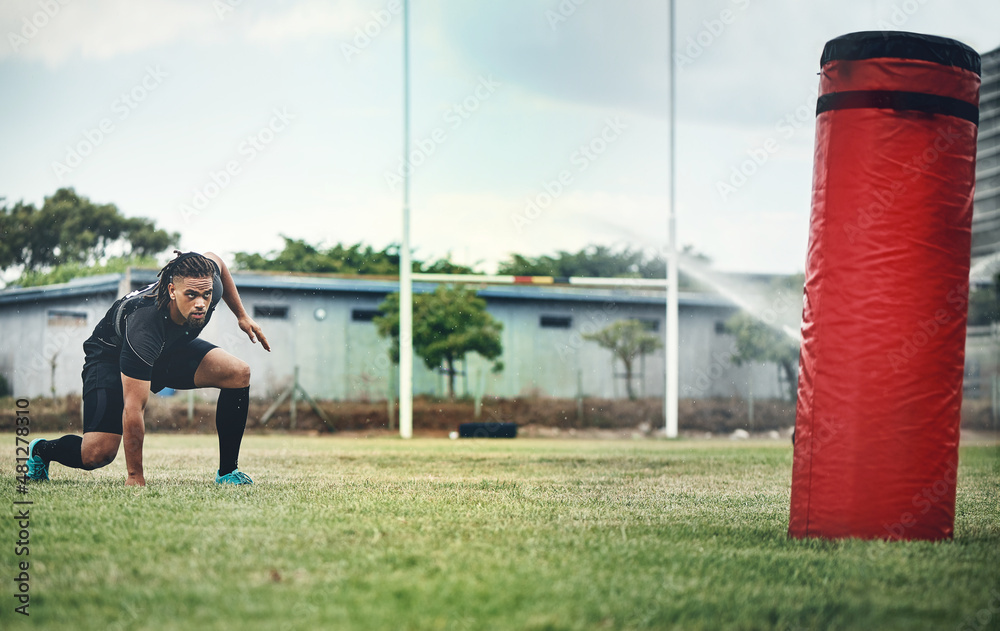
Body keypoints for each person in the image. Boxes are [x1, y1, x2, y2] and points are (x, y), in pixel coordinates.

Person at [26, 250, 270, 486]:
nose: (201, 304)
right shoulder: (144, 325)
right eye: (192, 295)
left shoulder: (208, 285)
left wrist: (242, 315)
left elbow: (218, 261)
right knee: (97, 453)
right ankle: (42, 450)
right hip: (110, 355)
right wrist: (135, 475)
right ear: (172, 291)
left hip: (167, 349)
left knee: (238, 373)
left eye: (206, 295)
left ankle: (228, 472)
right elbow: (133, 408)